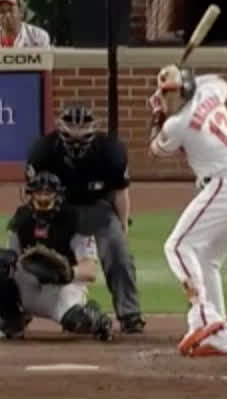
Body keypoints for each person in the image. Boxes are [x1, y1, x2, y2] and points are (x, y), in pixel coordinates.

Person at [148, 65, 227, 357]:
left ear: (185, 90)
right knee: (206, 259)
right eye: (164, 94)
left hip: (226, 185)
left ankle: (203, 315)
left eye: (172, 94)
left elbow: (155, 150)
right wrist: (178, 79)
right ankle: (220, 337)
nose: (167, 99)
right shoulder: (211, 91)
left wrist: (157, 116)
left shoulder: (177, 125)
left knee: (177, 246)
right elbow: (221, 81)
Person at [24, 104, 145, 334]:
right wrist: (35, 226)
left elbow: (120, 193)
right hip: (57, 210)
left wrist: (122, 228)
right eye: (71, 137)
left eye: (82, 136)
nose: (77, 143)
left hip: (97, 207)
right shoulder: (42, 150)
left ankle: (130, 314)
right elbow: (32, 192)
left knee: (118, 252)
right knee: (35, 256)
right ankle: (21, 312)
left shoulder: (111, 151)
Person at [0, 171, 115, 342]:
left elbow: (90, 271)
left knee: (79, 323)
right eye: (39, 192)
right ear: (30, 194)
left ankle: (94, 317)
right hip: (29, 283)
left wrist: (67, 273)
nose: (43, 197)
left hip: (61, 288)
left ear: (58, 196)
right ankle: (12, 322)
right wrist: (11, 261)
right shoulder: (22, 218)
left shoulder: (74, 219)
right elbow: (12, 258)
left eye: (48, 192)